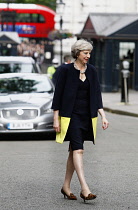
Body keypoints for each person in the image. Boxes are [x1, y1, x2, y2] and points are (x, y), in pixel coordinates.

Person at [52, 39, 109, 202]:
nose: (88, 56)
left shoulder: (92, 70)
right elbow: (58, 95)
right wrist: (56, 118)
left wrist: (103, 116)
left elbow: (97, 94)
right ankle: (85, 188)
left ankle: (66, 187)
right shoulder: (65, 70)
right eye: (85, 53)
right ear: (77, 53)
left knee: (73, 151)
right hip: (71, 117)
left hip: (87, 116)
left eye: (89, 53)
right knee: (79, 150)